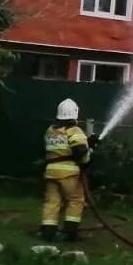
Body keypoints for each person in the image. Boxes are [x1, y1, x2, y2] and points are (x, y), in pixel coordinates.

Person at [41, 98, 93, 242]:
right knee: (75, 200)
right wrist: (89, 152)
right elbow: (80, 152)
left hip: (51, 173)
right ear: (75, 114)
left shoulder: (50, 131)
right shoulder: (74, 130)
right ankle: (69, 233)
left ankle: (48, 232)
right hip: (69, 174)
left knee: (52, 202)